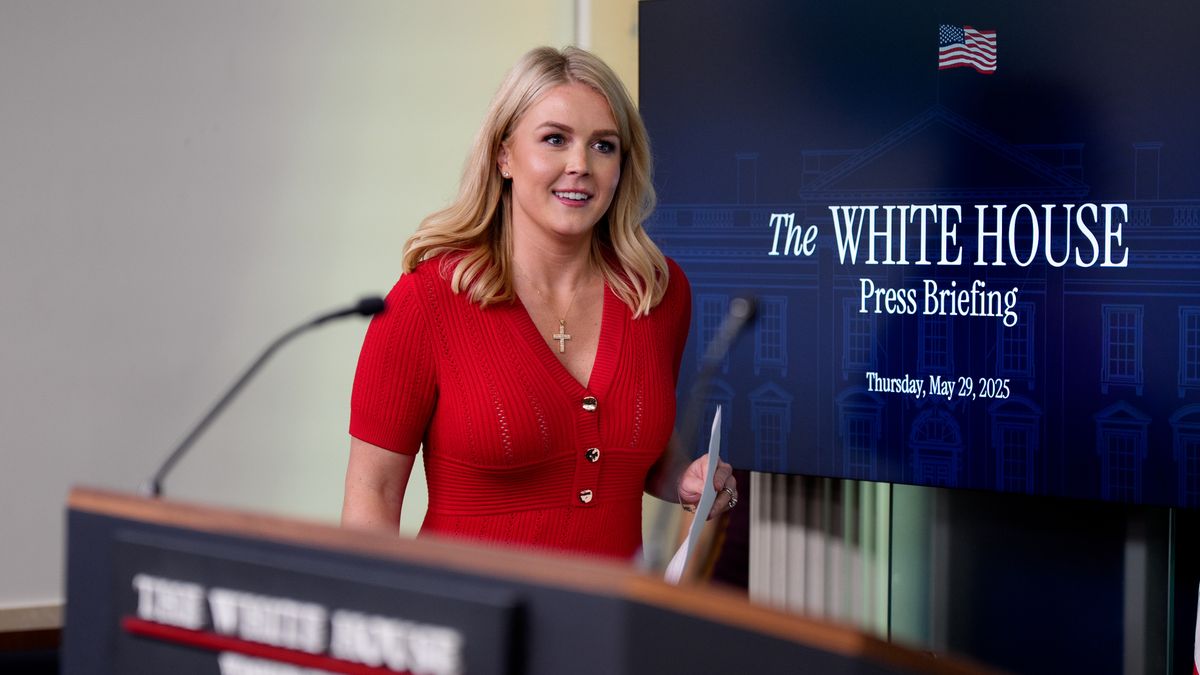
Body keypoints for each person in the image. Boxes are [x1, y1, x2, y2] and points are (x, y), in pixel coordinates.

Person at [341, 46, 736, 560]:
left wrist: (685, 480)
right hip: (470, 625)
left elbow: (630, 446)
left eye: (603, 146)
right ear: (504, 155)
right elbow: (373, 496)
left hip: (609, 627)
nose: (580, 165)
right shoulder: (426, 300)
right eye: (555, 139)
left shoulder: (657, 291)